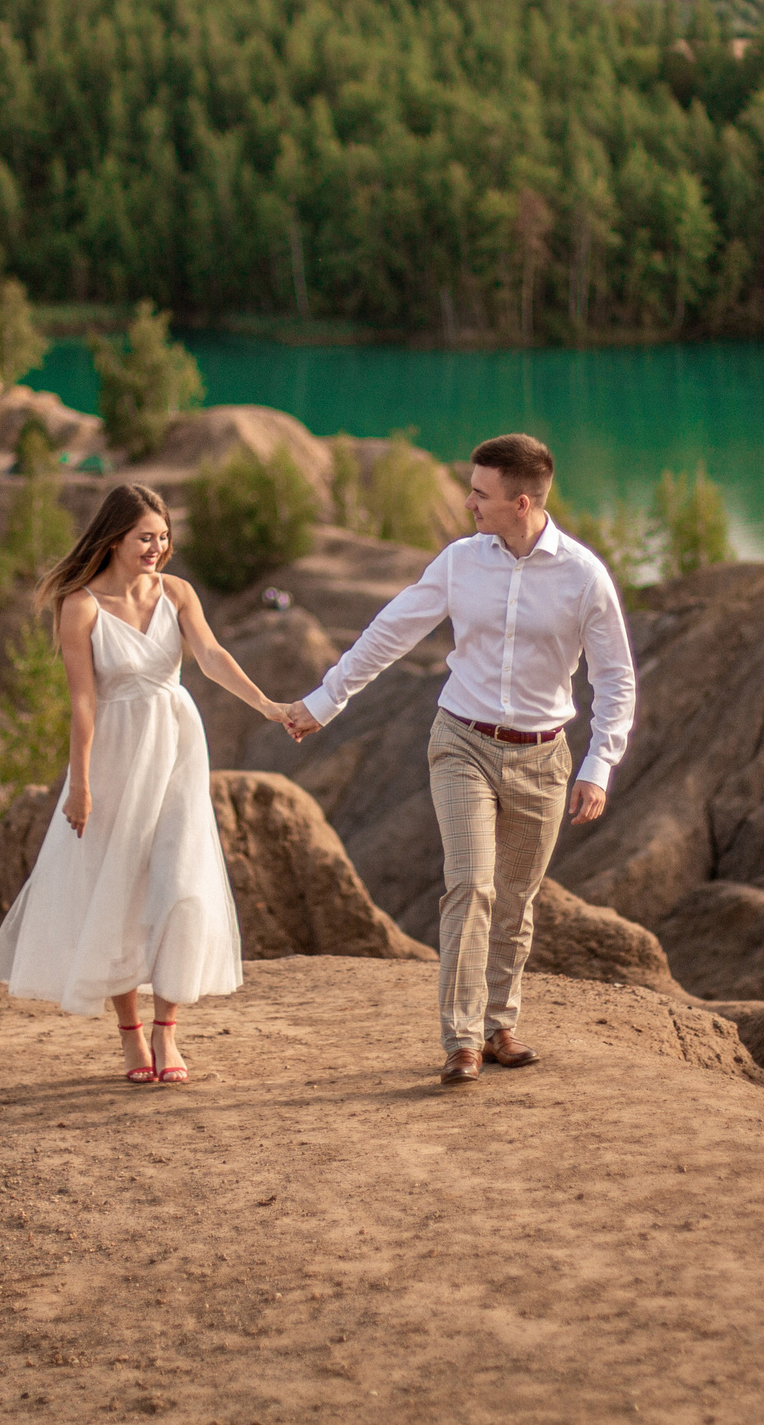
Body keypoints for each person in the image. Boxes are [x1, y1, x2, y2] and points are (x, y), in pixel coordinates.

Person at [283, 434, 636, 1087]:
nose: (467, 501)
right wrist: (324, 700)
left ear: (520, 501)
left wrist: (599, 763)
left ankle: (501, 1026)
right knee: (470, 883)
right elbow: (391, 630)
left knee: (516, 898)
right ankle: (462, 1039)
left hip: (543, 758)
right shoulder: (459, 561)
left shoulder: (584, 576)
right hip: (461, 740)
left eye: (480, 492)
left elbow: (615, 678)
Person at [0, 483, 300, 1084]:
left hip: (178, 747)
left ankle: (168, 1030)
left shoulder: (177, 593)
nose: (156, 548)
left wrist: (269, 705)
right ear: (114, 538)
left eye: (162, 537)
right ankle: (132, 1036)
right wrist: (79, 785)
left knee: (182, 880)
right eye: (143, 538)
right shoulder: (80, 606)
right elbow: (82, 703)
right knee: (120, 888)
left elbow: (210, 656)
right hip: (116, 757)